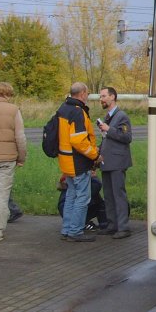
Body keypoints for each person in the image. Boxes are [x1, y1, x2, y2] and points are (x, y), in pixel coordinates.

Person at [57, 82, 99, 242]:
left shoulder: (63, 109)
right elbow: (79, 141)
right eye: (87, 94)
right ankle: (75, 231)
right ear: (82, 94)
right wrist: (95, 155)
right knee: (82, 197)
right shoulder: (77, 112)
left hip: (65, 160)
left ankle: (67, 229)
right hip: (78, 162)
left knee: (71, 196)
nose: (87, 96)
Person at [0, 82, 27, 243]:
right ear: (8, 94)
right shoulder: (13, 110)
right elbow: (20, 137)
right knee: (1, 197)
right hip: (7, 159)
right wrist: (21, 157)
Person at [96, 86, 132, 239]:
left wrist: (108, 129)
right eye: (101, 97)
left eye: (104, 96)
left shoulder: (121, 116)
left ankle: (123, 227)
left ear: (112, 97)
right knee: (109, 195)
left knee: (118, 195)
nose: (101, 99)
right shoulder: (107, 117)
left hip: (117, 161)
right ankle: (112, 225)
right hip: (107, 161)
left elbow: (127, 137)